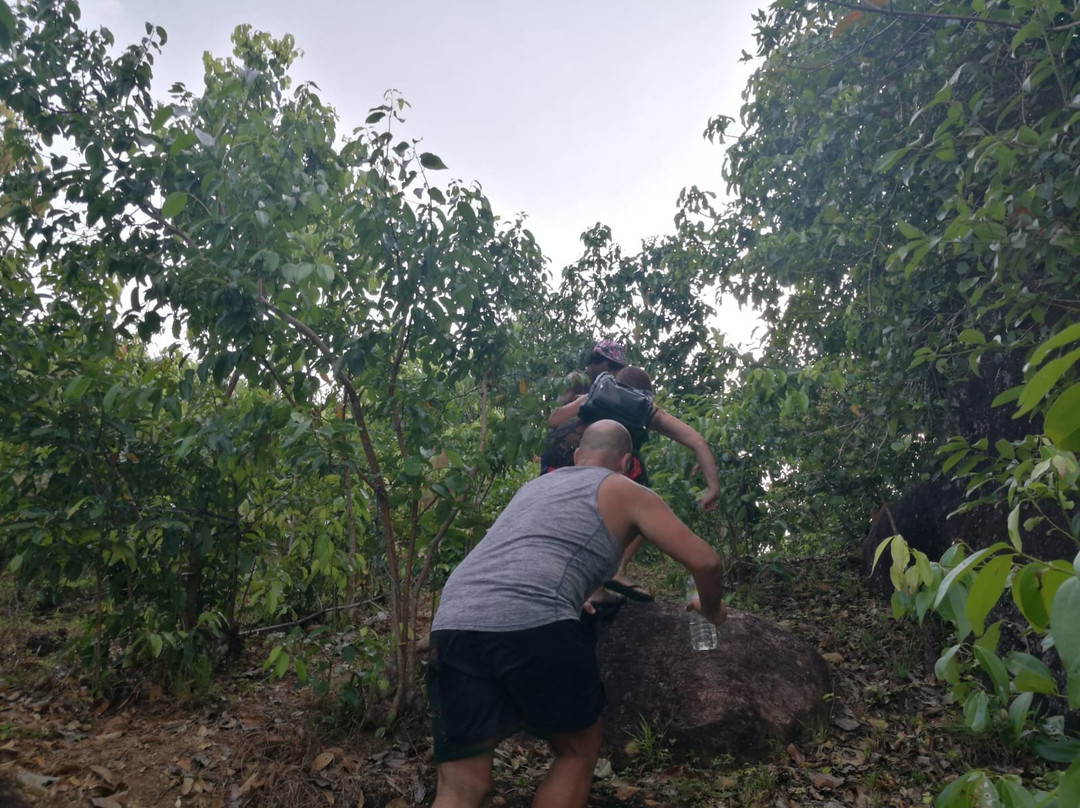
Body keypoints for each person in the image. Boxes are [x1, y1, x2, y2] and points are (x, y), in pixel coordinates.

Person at [428, 420, 726, 808]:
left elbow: (533, 550)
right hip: (534, 617)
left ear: (577, 456)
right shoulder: (625, 489)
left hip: (454, 618)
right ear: (626, 462)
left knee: (460, 785)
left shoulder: (534, 488)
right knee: (577, 750)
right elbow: (705, 562)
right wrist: (712, 609)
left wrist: (573, 596)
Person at [543, 365, 721, 602]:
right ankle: (615, 572)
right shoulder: (645, 408)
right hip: (603, 468)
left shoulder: (596, 393)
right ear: (646, 393)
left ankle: (572, 579)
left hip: (560, 460)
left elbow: (553, 420)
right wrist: (713, 488)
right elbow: (697, 441)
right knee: (640, 504)